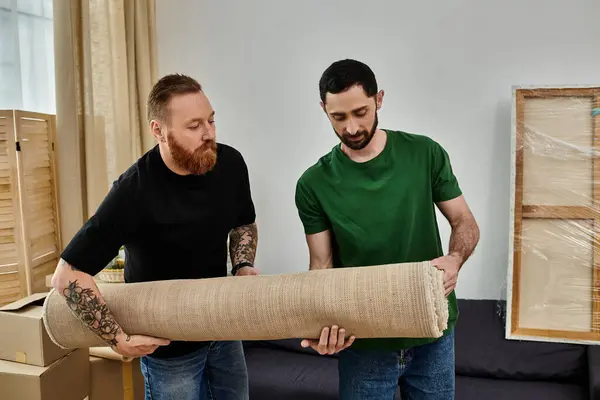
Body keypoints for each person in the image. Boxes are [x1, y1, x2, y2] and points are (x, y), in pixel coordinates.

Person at [51, 73, 259, 400]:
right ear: (158, 130)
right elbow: (67, 275)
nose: (209, 134)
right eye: (194, 126)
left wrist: (243, 264)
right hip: (168, 350)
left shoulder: (230, 163)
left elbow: (244, 222)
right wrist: (117, 339)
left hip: (223, 329)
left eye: (211, 120)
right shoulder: (133, 190)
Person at [294, 59, 480, 399]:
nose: (351, 128)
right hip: (363, 341)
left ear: (379, 99)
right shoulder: (312, 183)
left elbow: (464, 221)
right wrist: (320, 325)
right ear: (323, 109)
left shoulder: (425, 153)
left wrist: (454, 259)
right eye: (338, 117)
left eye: (360, 112)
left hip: (432, 330)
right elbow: (321, 266)